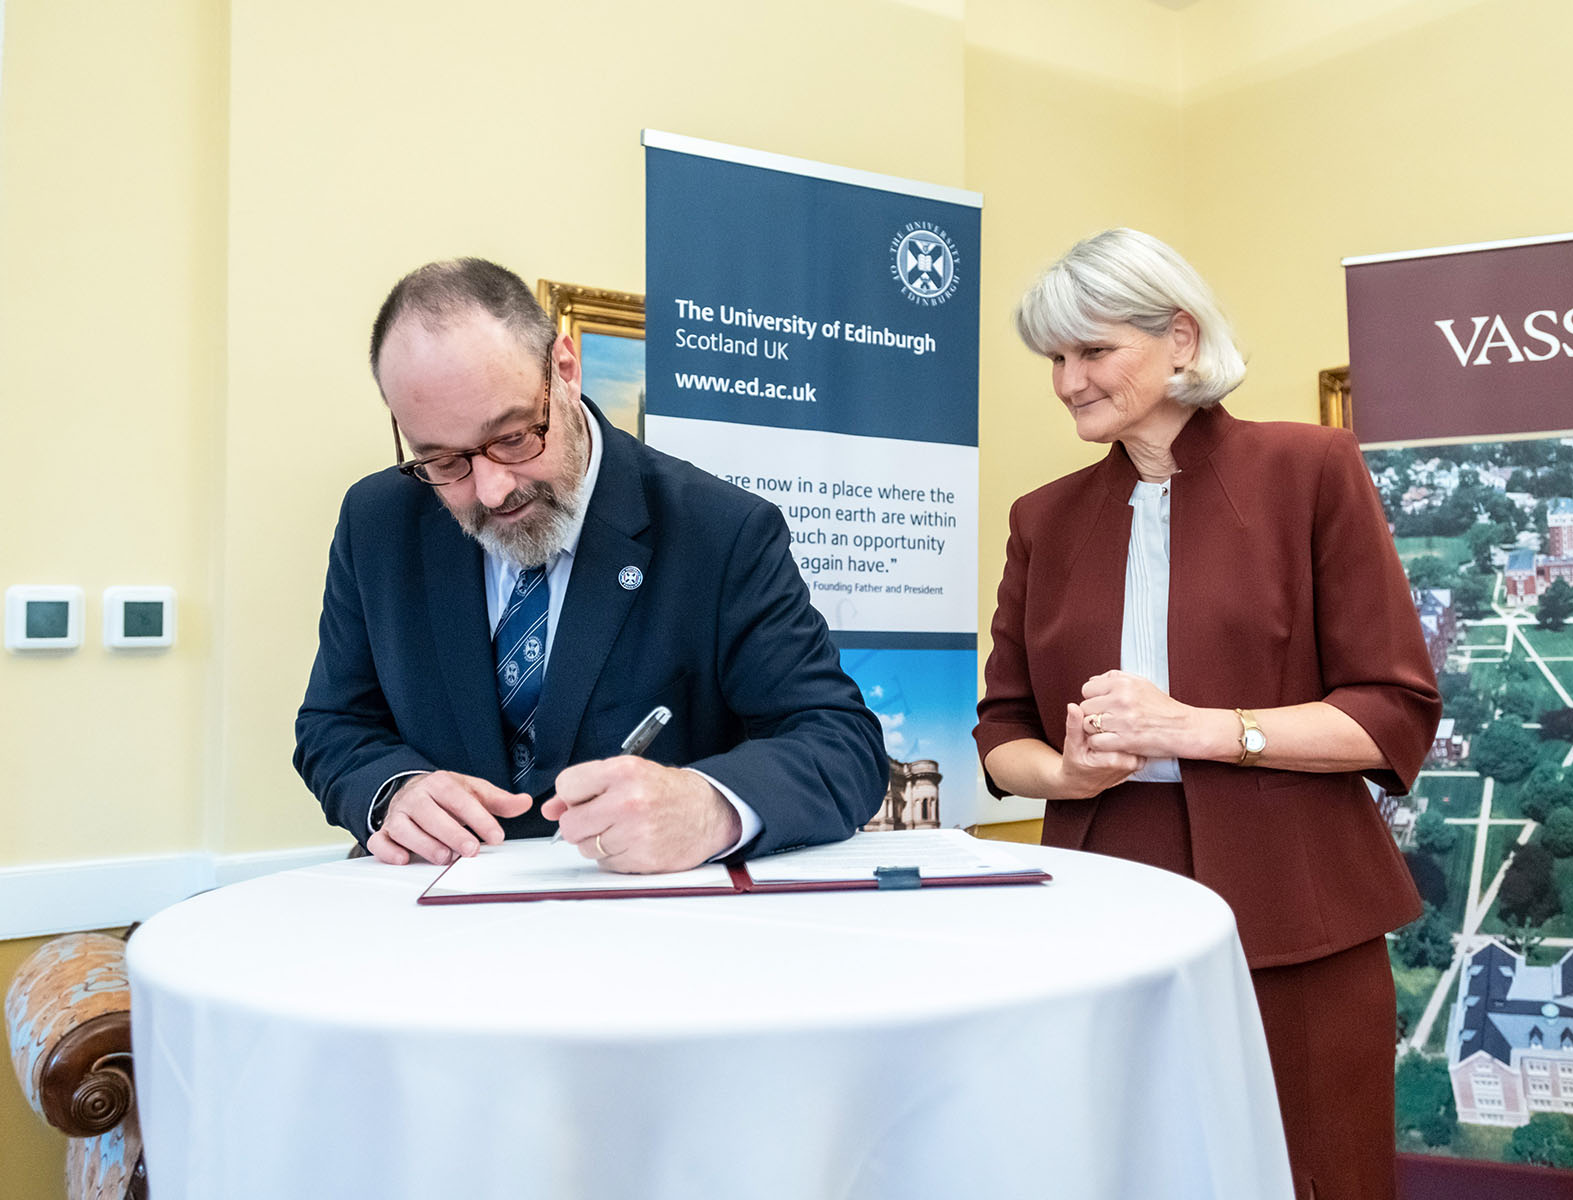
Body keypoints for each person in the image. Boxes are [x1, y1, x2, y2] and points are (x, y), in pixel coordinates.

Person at [974, 229, 1440, 1200]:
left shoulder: (1311, 470)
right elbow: (1001, 730)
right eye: (1054, 359)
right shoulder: (1042, 519)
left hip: (1298, 909)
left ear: (1180, 339)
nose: (1066, 383)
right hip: (1103, 905)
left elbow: (1392, 711)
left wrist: (1205, 730)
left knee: (1317, 1176)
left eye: (1092, 351)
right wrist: (1064, 774)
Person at [295, 257, 886, 872]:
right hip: (435, 916)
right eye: (444, 461)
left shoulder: (720, 531)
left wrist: (709, 806)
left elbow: (842, 745)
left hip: (644, 925)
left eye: (515, 436)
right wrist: (394, 791)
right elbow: (334, 723)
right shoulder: (379, 521)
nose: (492, 490)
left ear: (566, 371)